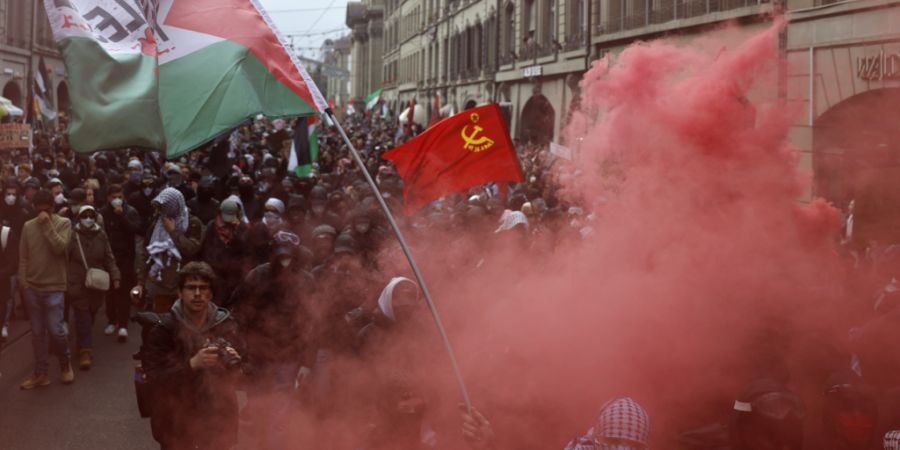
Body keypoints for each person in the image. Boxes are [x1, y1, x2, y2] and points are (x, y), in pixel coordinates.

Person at [137, 261, 245, 450]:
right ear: (179, 292)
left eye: (203, 288)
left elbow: (244, 376)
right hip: (176, 420)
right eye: (191, 288)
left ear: (211, 294)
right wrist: (192, 365)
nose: (197, 294)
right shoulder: (164, 329)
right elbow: (155, 380)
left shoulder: (227, 326)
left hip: (216, 419)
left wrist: (235, 365)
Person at [230, 231, 313, 449]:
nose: (283, 261)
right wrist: (243, 348)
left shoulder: (305, 281)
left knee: (280, 413)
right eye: (279, 256)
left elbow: (311, 324)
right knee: (258, 409)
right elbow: (238, 313)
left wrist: (306, 361)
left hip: (289, 355)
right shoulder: (256, 277)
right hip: (258, 354)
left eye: (288, 256)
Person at [18, 190, 74, 389]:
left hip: (55, 287)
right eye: (39, 210)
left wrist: (48, 225)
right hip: (32, 288)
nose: (42, 214)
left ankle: (65, 363)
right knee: (37, 333)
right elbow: (23, 257)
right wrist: (24, 284)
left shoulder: (64, 223)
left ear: (53, 208)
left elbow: (60, 248)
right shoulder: (28, 226)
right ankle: (41, 373)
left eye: (47, 210)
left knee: (56, 331)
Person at [134, 187, 204, 314]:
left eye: (164, 207)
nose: (161, 211)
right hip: (159, 284)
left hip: (183, 284)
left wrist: (173, 231)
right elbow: (147, 252)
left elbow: (191, 249)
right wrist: (140, 282)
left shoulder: (192, 223)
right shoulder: (158, 222)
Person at [67, 205, 120, 370]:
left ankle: (82, 343)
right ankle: (85, 352)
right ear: (79, 218)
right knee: (82, 315)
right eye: (85, 216)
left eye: (91, 215)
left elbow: (109, 257)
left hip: (96, 283)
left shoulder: (101, 235)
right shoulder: (72, 235)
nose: (88, 219)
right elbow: (63, 257)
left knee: (91, 313)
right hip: (77, 282)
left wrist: (115, 276)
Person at [100, 183, 143, 341]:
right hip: (109, 258)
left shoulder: (130, 211)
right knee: (110, 291)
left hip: (126, 257)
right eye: (113, 198)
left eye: (119, 197)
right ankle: (112, 320)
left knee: (124, 291)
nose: (117, 200)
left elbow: (136, 228)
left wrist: (121, 216)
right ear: (108, 198)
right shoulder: (103, 213)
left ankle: (123, 324)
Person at [199, 198, 248, 307]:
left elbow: (245, 249)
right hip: (215, 272)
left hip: (233, 274)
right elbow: (206, 247)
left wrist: (237, 233)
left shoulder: (241, 228)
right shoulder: (212, 226)